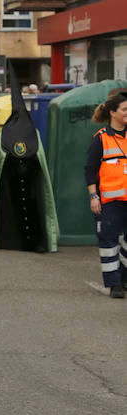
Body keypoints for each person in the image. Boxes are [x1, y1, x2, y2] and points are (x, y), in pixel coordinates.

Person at [85, 90, 127, 298]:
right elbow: (89, 170)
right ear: (113, 113)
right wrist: (94, 197)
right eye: (125, 109)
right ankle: (114, 284)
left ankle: (124, 276)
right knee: (109, 241)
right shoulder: (101, 139)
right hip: (110, 201)